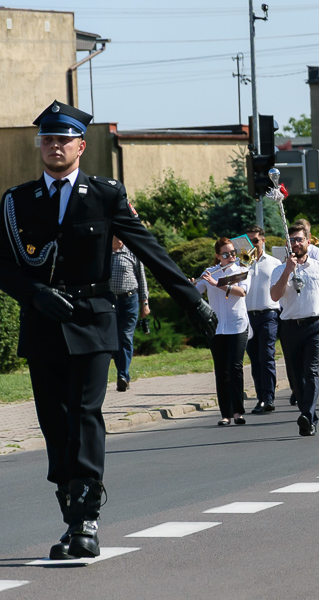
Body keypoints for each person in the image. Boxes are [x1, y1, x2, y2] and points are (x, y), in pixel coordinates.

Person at [0, 100, 215, 560]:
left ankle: (87, 520)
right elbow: (3, 267)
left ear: (81, 145)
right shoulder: (17, 202)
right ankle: (70, 515)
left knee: (85, 414)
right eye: (47, 139)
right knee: (54, 425)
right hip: (43, 325)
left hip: (94, 320)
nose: (54, 146)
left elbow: (149, 249)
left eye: (63, 139)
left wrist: (193, 300)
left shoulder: (104, 194)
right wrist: (34, 295)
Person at [270, 225, 319, 437]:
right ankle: (308, 417)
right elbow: (274, 296)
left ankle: (307, 415)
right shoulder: (279, 270)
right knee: (295, 377)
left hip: (314, 327)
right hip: (290, 327)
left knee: (310, 372)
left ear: (308, 241)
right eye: (292, 240)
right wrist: (288, 271)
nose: (296, 243)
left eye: (300, 239)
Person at [195, 238, 251, 427]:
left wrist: (217, 283)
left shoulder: (241, 270)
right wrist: (190, 285)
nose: (231, 257)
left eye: (233, 253)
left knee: (235, 367)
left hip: (237, 325)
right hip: (216, 327)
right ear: (218, 256)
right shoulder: (209, 272)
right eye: (226, 254)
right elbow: (196, 293)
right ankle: (225, 414)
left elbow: (241, 292)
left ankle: (238, 412)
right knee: (221, 369)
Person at [243, 226, 281, 414]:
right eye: (249, 241)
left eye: (255, 241)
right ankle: (260, 398)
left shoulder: (274, 263)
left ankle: (269, 397)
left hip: (269, 314)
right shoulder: (243, 264)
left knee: (266, 355)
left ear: (263, 241)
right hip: (248, 316)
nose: (252, 245)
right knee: (255, 359)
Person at [110, 235, 150, 392]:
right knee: (113, 339)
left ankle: (122, 375)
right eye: (117, 235)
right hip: (110, 301)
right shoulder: (104, 253)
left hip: (130, 299)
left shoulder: (131, 252)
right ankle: (123, 375)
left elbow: (142, 278)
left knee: (126, 336)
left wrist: (144, 303)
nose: (120, 239)